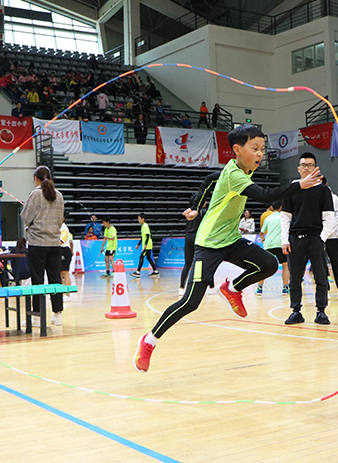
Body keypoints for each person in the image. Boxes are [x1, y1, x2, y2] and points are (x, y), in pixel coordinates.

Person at [134, 125, 321, 372]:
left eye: (262, 149)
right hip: (209, 243)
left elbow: (209, 180)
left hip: (231, 239)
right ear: (237, 149)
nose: (260, 154)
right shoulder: (234, 174)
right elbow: (265, 195)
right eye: (255, 148)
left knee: (268, 264)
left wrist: (196, 205)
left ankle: (232, 288)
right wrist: (299, 185)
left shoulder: (242, 170)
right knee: (191, 301)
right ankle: (149, 340)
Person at [281, 152, 335, 325]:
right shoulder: (292, 189)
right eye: (303, 165)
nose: (306, 168)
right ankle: (296, 311)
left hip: (315, 239)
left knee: (321, 277)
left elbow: (329, 217)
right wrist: (285, 239)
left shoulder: (323, 190)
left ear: (315, 168)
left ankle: (321, 311)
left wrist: (322, 238)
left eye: (310, 165)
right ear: (298, 168)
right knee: (295, 279)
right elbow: (285, 216)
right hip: (295, 239)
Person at [21, 166, 65, 328]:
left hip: (37, 244)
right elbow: (60, 220)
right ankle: (58, 315)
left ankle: (37, 317)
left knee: (37, 280)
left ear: (36, 179)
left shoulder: (35, 194)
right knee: (55, 279)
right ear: (50, 178)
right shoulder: (59, 195)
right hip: (54, 243)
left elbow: (26, 217)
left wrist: (32, 226)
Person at [180, 172, 220, 296]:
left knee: (187, 263)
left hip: (188, 237)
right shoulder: (202, 212)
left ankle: (181, 288)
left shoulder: (189, 212)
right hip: (198, 237)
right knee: (206, 263)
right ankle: (211, 288)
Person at [256, 201, 289, 295]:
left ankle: (259, 288)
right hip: (281, 244)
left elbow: (261, 233)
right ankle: (285, 288)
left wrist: (263, 240)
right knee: (285, 265)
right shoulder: (284, 218)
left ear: (271, 207)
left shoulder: (268, 218)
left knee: (264, 266)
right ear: (281, 207)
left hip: (269, 244)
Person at [131, 213, 159, 277]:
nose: (138, 220)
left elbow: (148, 235)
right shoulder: (143, 226)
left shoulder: (145, 226)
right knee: (148, 258)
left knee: (141, 257)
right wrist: (138, 244)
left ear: (143, 219)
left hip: (147, 245)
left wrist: (146, 244)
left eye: (139, 219)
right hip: (147, 245)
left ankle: (138, 272)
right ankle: (155, 271)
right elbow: (143, 237)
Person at [60, 211, 74, 292]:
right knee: (59, 274)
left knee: (65, 273)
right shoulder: (58, 227)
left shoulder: (64, 228)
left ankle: (68, 294)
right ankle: (60, 293)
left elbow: (61, 241)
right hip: (59, 250)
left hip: (64, 251)